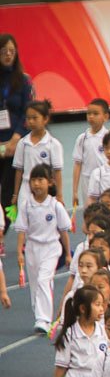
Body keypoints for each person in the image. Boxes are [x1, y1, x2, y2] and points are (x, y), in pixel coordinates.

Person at [15, 163, 71, 333]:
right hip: (32, 248)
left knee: (43, 280)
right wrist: (19, 253)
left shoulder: (55, 206)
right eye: (34, 180)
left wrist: (68, 254)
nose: (37, 184)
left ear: (50, 183)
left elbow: (63, 231)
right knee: (35, 284)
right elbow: (22, 231)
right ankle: (39, 312)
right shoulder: (26, 205)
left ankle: (44, 319)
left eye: (41, 180)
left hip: (51, 248)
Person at [0, 33, 35, 236]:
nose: (8, 55)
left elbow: (28, 111)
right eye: (4, 51)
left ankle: (4, 231)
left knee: (9, 190)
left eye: (12, 51)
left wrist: (15, 139)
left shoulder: (23, 80)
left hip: (15, 142)